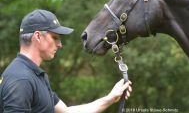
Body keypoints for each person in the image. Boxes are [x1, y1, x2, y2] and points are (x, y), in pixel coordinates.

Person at [0, 9, 132, 113]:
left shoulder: (34, 75)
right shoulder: (21, 79)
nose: (60, 44)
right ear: (38, 36)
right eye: (55, 37)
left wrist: (110, 98)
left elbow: (66, 111)